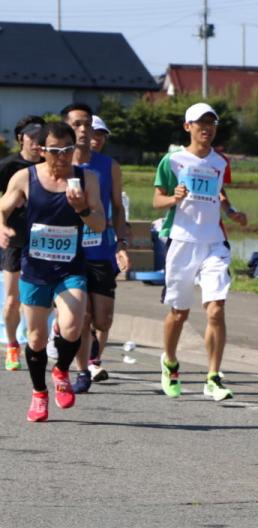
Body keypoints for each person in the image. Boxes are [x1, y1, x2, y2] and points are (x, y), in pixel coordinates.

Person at [0, 121, 106, 420]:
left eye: (68, 150)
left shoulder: (87, 180)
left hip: (70, 267)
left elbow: (99, 224)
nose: (62, 157)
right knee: (34, 338)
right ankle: (39, 392)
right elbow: (2, 208)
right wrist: (2, 228)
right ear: (42, 150)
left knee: (73, 325)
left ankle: (60, 372)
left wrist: (83, 209)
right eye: (56, 151)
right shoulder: (25, 178)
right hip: (35, 268)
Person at [153, 102, 248, 401]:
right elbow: (156, 200)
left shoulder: (221, 162)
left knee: (216, 310)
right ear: (188, 127)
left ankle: (213, 376)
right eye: (199, 123)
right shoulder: (172, 160)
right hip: (182, 240)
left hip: (213, 242)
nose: (206, 128)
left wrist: (231, 211)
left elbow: (220, 193)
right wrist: (173, 198)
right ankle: (169, 362)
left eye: (211, 123)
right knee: (179, 313)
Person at [61, 103, 131, 392]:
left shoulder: (108, 166)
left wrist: (122, 243)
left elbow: (117, 207)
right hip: (71, 252)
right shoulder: (59, 165)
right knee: (84, 314)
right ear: (67, 128)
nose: (82, 130)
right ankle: (83, 369)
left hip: (101, 248)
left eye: (86, 124)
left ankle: (81, 344)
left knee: (103, 320)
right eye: (76, 124)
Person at [0, 115, 44, 371]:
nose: (37, 143)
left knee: (37, 300)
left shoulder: (49, 166)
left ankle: (37, 343)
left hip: (44, 241)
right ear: (21, 139)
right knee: (11, 300)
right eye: (32, 137)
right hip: (15, 239)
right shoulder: (8, 166)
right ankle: (12, 344)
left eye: (42, 138)